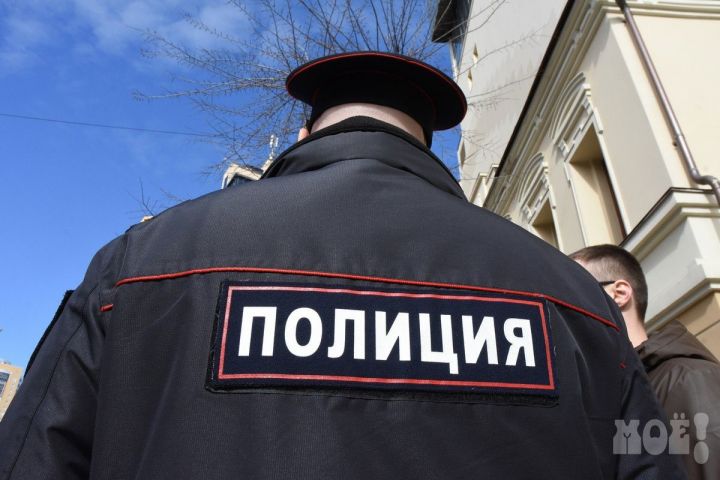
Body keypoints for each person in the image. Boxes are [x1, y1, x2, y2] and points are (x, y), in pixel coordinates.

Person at [0, 52, 683, 479]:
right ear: (426, 146)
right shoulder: (574, 296)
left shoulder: (146, 261)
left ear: (305, 134)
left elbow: (33, 456)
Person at [571, 244, 720, 479]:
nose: (564, 305)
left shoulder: (689, 380)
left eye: (573, 291)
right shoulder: (608, 389)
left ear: (619, 294)